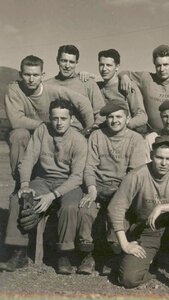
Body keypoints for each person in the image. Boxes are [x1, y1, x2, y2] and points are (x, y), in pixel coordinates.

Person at [108, 135, 169, 296]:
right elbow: (115, 208)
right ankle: (155, 262)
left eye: (168, 159)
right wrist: (125, 244)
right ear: (151, 155)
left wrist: (163, 207)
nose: (163, 163)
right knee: (128, 279)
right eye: (159, 157)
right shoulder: (137, 175)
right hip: (149, 230)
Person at [0, 99, 88, 275]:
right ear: (50, 117)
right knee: (19, 199)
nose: (59, 122)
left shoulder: (78, 139)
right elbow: (28, 159)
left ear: (71, 119)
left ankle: (64, 254)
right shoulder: (42, 130)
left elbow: (77, 177)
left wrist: (52, 196)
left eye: (63, 118)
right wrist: (24, 185)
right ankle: (19, 252)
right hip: (42, 180)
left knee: (70, 207)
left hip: (67, 183)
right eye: (55, 118)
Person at [76, 99, 147, 275]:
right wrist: (91, 188)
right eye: (110, 117)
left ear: (127, 118)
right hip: (98, 186)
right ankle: (88, 255)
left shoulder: (136, 139)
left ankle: (111, 256)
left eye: (119, 117)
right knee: (86, 209)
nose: (115, 121)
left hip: (122, 187)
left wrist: (118, 194)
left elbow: (134, 173)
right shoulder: (97, 136)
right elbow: (89, 167)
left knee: (117, 213)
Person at [4, 55, 94, 188]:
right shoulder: (14, 90)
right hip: (32, 132)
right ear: (20, 74)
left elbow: (83, 102)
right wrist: (45, 125)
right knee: (18, 135)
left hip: (50, 134)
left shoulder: (52, 89)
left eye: (35, 75)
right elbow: (16, 121)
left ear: (42, 75)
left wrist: (89, 128)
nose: (31, 79)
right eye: (27, 74)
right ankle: (21, 183)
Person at [46, 44, 105, 132]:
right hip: (53, 133)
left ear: (76, 63)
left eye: (71, 62)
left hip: (80, 134)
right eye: (64, 61)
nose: (67, 65)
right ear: (57, 61)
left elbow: (101, 113)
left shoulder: (88, 83)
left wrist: (92, 129)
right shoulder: (46, 85)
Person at [97, 49, 148, 132]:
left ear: (117, 67)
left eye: (109, 65)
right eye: (101, 65)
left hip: (127, 132)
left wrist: (125, 125)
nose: (104, 69)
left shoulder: (126, 85)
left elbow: (142, 116)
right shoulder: (97, 87)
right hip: (105, 132)